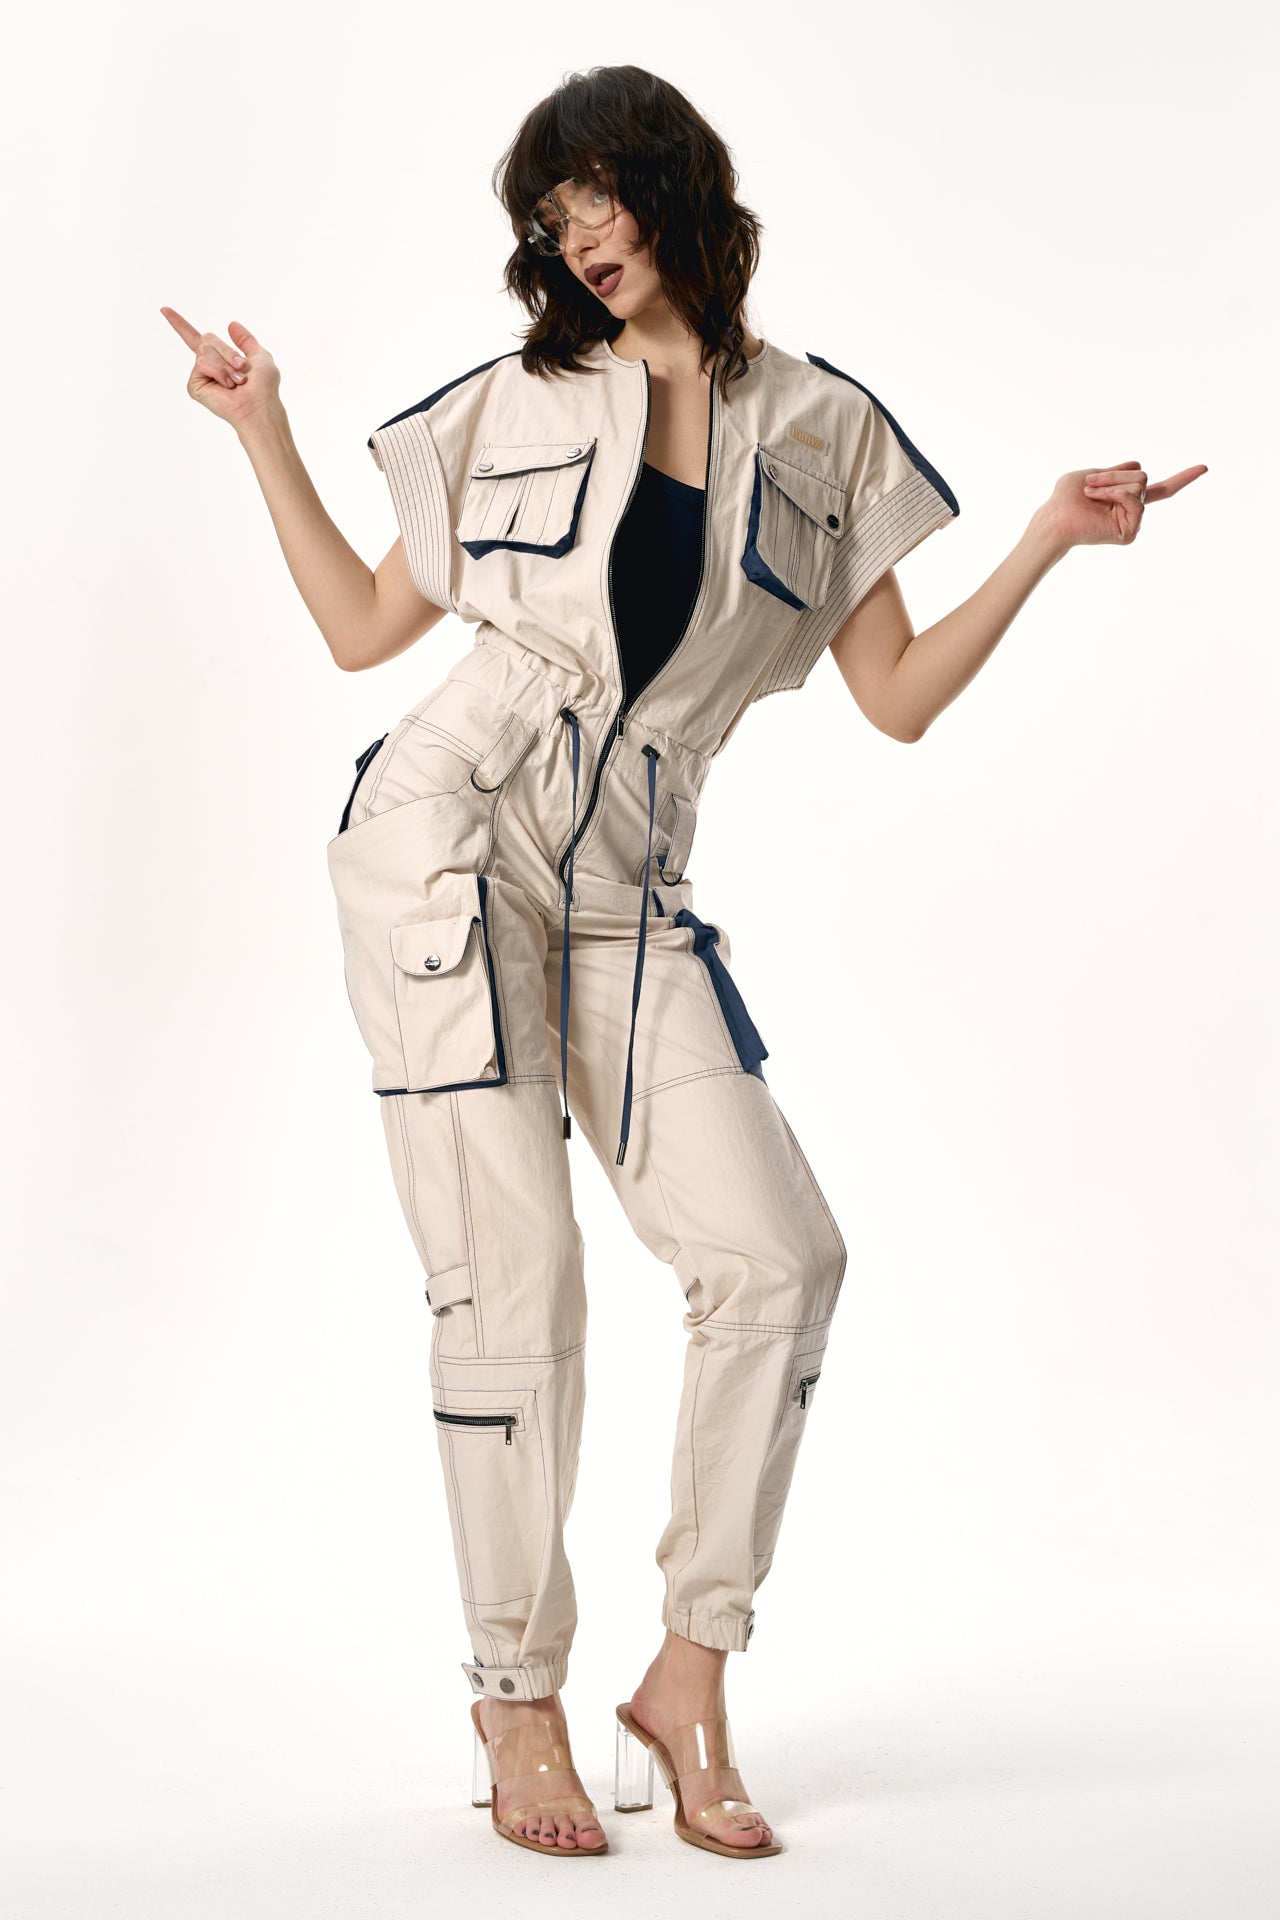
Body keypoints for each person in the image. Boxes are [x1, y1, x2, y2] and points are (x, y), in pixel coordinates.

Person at [162, 61, 1206, 1864]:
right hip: (449, 839)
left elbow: (895, 699)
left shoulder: (824, 429)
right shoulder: (518, 398)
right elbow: (360, 630)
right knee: (518, 1283)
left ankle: (689, 1673)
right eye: (552, 218)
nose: (581, 238)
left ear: (677, 189)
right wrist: (266, 429)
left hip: (635, 886)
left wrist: (1045, 537)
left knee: (780, 1260)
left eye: (602, 197)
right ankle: (515, 1696)